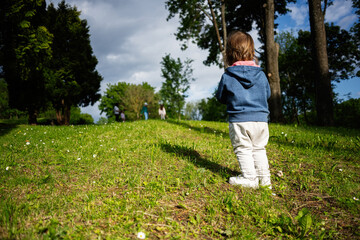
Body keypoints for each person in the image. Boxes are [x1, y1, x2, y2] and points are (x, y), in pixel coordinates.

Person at [216, 31, 271, 189]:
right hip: (261, 120)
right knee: (259, 149)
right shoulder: (261, 75)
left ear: (229, 54)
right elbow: (266, 94)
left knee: (243, 148)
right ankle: (264, 181)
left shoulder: (228, 76)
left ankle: (249, 178)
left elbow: (221, 96)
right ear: (252, 52)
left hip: (240, 120)